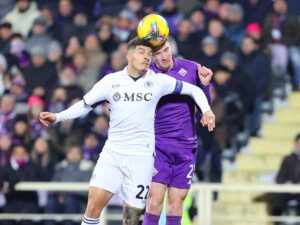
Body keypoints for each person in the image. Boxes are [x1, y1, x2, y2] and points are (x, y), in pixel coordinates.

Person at [39, 37, 215, 225]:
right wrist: (58, 117)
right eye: (142, 52)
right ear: (128, 55)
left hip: (142, 157)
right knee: (93, 206)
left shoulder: (158, 81)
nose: (147, 57)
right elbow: (84, 105)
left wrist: (206, 110)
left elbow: (193, 91)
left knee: (132, 218)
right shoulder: (111, 81)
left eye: (149, 54)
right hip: (113, 153)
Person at [142, 40, 214, 225]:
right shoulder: (147, 74)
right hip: (159, 145)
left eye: (166, 50)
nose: (164, 56)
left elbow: (204, 104)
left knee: (176, 202)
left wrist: (205, 85)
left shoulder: (190, 68)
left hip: (186, 147)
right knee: (154, 199)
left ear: (171, 48)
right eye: (158, 53)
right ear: (152, 56)